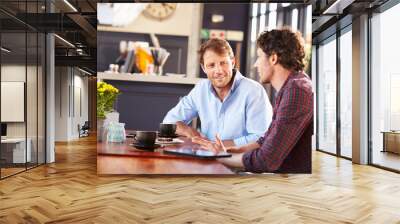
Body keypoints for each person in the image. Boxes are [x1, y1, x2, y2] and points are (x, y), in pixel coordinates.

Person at [195, 28, 313, 173]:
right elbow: (266, 140)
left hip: (288, 184)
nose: (256, 64)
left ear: (273, 58)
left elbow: (266, 160)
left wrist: (221, 157)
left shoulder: (296, 90)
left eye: (259, 57)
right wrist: (230, 150)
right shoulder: (292, 86)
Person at [163, 38, 272, 147]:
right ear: (203, 68)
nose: (218, 71)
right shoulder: (201, 89)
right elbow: (169, 121)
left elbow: (261, 137)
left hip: (241, 159)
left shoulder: (254, 91)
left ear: (233, 62)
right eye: (211, 65)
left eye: (223, 63)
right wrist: (192, 134)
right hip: (207, 157)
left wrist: (220, 146)